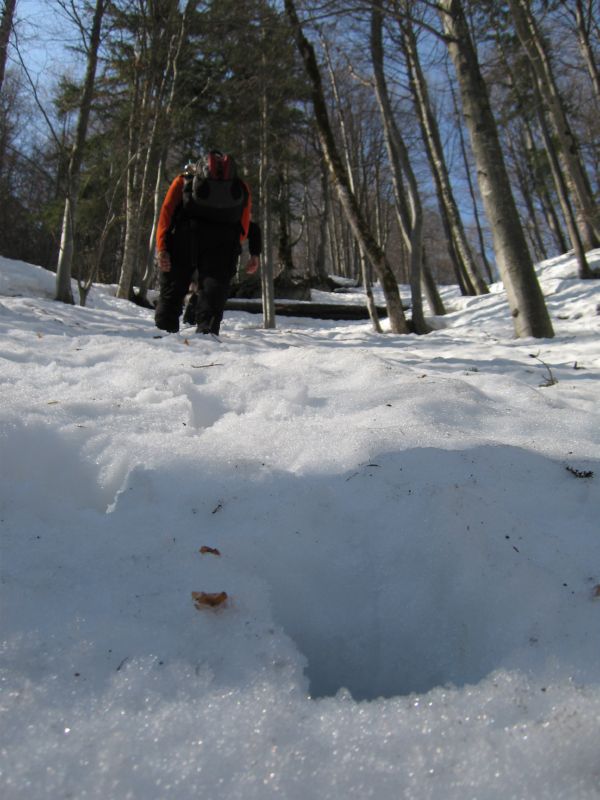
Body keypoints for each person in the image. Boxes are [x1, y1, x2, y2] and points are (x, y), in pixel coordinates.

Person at [154, 150, 261, 336]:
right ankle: (206, 344)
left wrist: (162, 248)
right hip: (223, 245)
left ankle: (164, 339)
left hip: (183, 240)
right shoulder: (241, 187)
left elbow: (166, 214)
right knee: (212, 300)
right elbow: (244, 225)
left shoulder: (183, 180)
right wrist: (250, 251)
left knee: (171, 296)